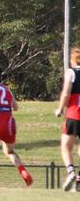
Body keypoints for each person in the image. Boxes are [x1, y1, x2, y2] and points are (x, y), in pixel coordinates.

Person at [55, 47, 80, 191]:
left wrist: (60, 109)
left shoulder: (71, 72)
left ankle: (71, 172)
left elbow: (65, 94)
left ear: (72, 59)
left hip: (74, 113)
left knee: (66, 146)